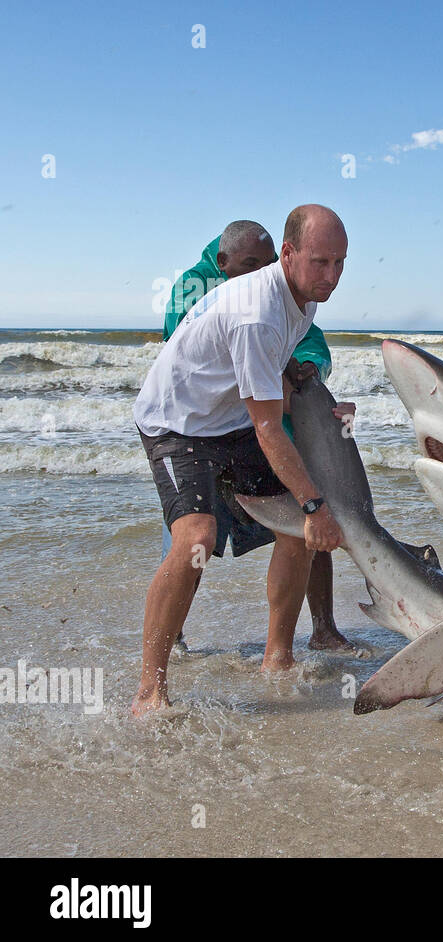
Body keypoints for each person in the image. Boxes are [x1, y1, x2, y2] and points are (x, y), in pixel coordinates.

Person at [132, 204, 352, 715]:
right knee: (197, 540)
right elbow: (269, 427)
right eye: (320, 262)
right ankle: (150, 692)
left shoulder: (302, 297)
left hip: (229, 418)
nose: (331, 277)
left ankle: (278, 658)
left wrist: (318, 400)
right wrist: (316, 505)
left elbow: (277, 380)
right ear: (289, 255)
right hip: (177, 422)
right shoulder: (259, 312)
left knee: (294, 530)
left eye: (340, 263)